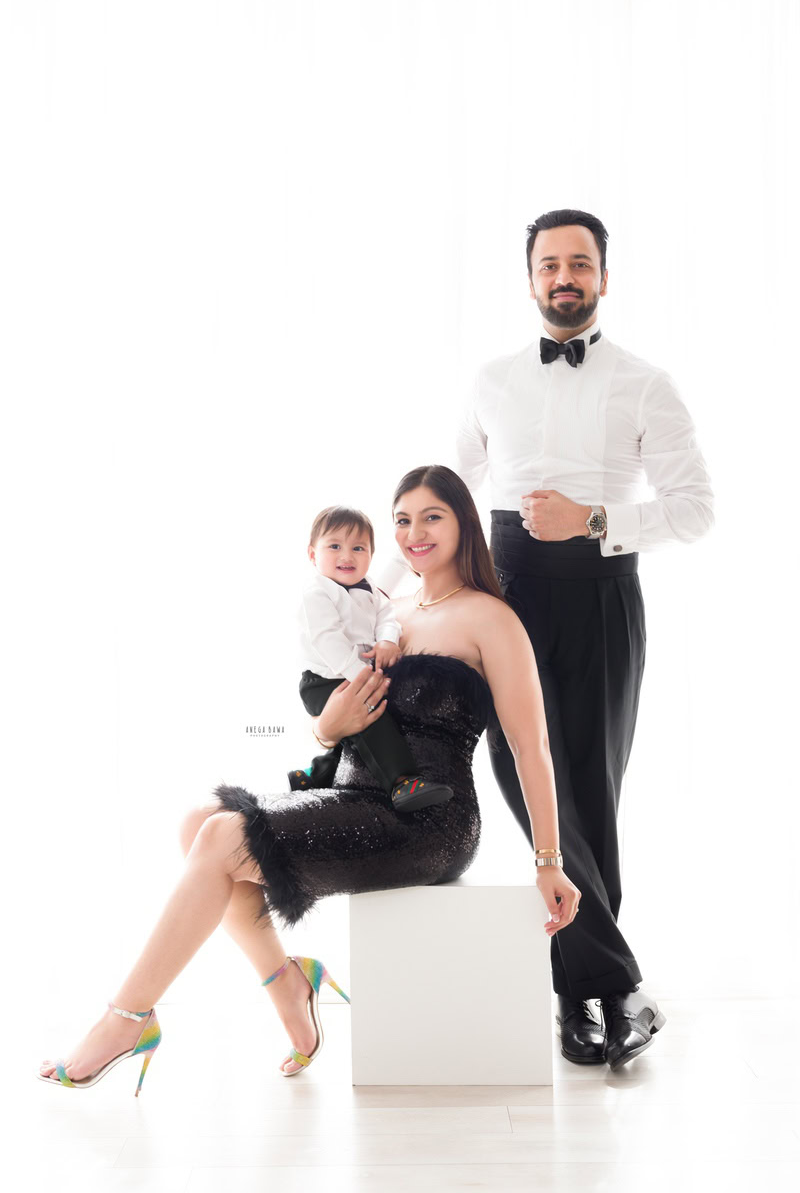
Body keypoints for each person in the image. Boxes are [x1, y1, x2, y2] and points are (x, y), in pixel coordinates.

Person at [38, 464, 580, 1089]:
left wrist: (547, 859)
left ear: (464, 523)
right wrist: (329, 726)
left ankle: (127, 1018)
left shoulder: (490, 618)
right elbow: (330, 720)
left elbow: (529, 745)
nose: (414, 533)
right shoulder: (386, 609)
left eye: (433, 516)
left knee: (220, 839)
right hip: (353, 791)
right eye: (402, 519)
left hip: (426, 818)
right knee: (198, 823)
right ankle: (288, 985)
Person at [455, 207, 713, 1068]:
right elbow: (450, 491)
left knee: (591, 791)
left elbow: (694, 510)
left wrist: (594, 518)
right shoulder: (491, 379)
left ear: (604, 276)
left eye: (580, 262)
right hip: (506, 600)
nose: (564, 277)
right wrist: (379, 599)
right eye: (549, 264)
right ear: (529, 278)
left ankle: (584, 996)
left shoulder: (646, 382)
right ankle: (612, 985)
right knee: (535, 789)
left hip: (603, 596)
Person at [288, 503, 454, 812]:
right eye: (334, 546)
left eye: (358, 548)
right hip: (324, 679)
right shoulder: (318, 592)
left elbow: (387, 618)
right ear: (313, 555)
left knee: (356, 727)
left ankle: (316, 774)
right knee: (372, 717)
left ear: (370, 555)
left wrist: (388, 641)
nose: (346, 556)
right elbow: (327, 639)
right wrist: (359, 674)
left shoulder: (372, 591)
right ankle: (402, 782)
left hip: (356, 673)